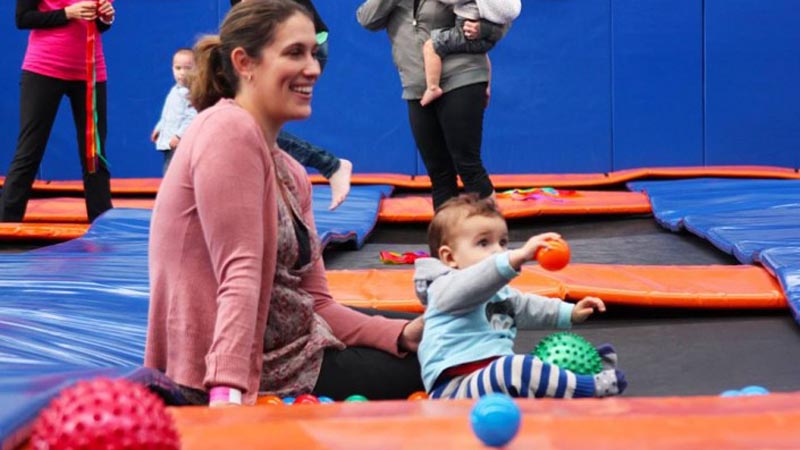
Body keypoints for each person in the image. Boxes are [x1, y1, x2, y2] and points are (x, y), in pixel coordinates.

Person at [144, 0, 424, 407]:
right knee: (454, 359)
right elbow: (239, 272)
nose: (312, 67)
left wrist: (396, 335)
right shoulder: (226, 128)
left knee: (451, 338)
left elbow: (318, 301)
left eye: (313, 52)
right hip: (247, 369)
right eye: (294, 53)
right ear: (244, 62)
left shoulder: (290, 171)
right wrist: (226, 394)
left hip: (298, 344)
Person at [414, 194, 627, 399]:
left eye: (503, 242)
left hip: (494, 379)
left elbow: (527, 307)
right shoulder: (442, 289)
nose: (498, 251)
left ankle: (581, 371)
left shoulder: (500, 294)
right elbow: (471, 285)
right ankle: (586, 386)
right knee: (518, 367)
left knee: (532, 364)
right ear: (450, 257)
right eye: (483, 243)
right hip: (455, 388)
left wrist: (570, 312)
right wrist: (517, 256)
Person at [358, 0, 495, 211]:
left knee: (468, 165)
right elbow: (366, 20)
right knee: (439, 172)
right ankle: (446, 238)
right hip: (417, 87)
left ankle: (492, 238)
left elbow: (500, 16)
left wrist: (483, 28)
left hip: (460, 77)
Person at [229, 0, 352, 211]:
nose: (312, 71)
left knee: (248, 121)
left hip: (295, 37)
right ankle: (328, 165)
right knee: (247, 121)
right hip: (288, 37)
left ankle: (330, 165)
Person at [1, 0, 115, 223]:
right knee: (30, 149)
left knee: (94, 153)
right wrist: (66, 13)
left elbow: (98, 26)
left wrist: (106, 18)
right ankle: (6, 223)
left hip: (90, 70)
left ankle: (102, 223)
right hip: (44, 67)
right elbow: (23, 19)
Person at [420, 0, 520, 106]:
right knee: (480, 54)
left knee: (431, 46)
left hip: (467, 31)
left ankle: (433, 88)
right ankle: (486, 87)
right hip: (488, 35)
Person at [151, 48, 197, 175]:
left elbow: (192, 117)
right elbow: (167, 114)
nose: (182, 73)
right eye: (178, 68)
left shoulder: (191, 93)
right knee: (168, 172)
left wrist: (179, 136)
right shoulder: (175, 90)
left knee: (176, 174)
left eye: (188, 68)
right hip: (168, 142)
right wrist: (159, 128)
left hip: (180, 144)